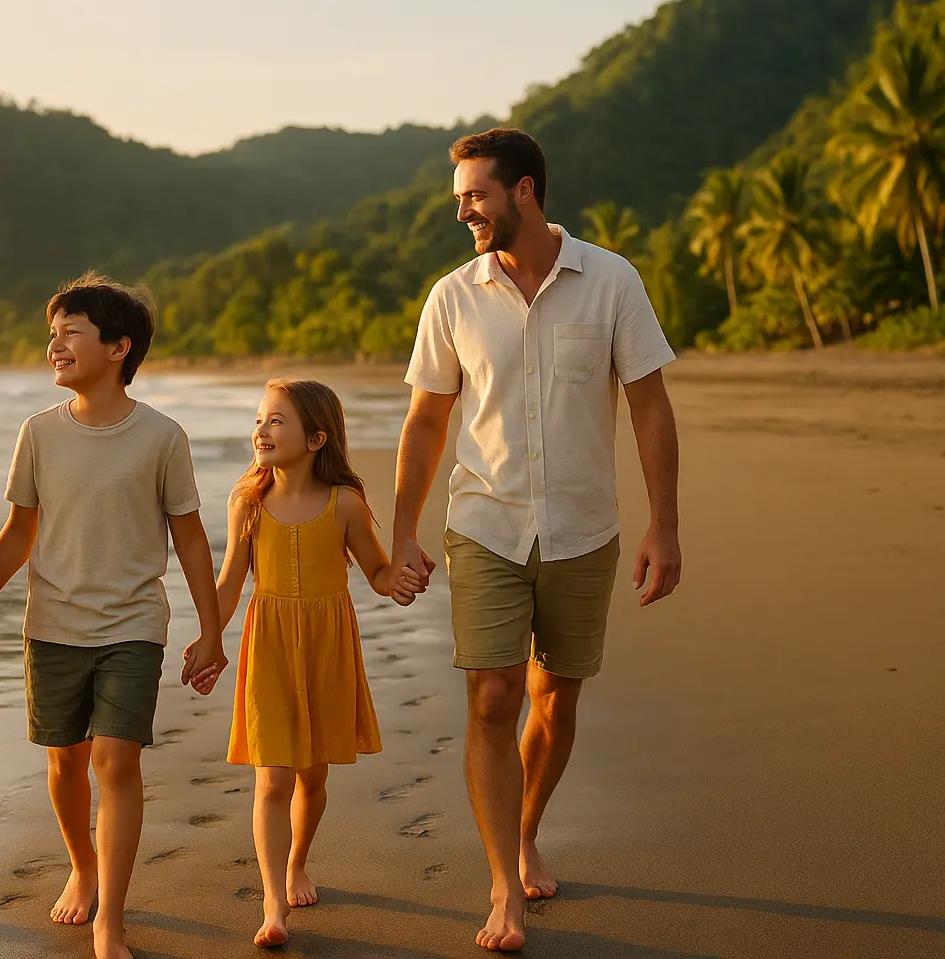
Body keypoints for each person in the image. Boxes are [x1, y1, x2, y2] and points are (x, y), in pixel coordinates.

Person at [391, 128, 682, 952]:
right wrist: (402, 531)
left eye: (475, 196)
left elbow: (650, 406)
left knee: (555, 699)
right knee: (492, 698)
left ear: (524, 191)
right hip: (483, 522)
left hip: (584, 530)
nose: (464, 213)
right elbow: (427, 419)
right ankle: (501, 889)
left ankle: (524, 831)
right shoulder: (452, 297)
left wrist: (665, 524)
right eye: (459, 200)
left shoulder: (612, 280)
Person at [0, 273, 227, 959]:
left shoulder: (162, 436)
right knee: (65, 761)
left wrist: (211, 630)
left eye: (72, 333)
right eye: (52, 333)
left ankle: (111, 919)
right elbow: (18, 533)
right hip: (52, 624)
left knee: (115, 761)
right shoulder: (37, 433)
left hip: (132, 625)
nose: (54, 345)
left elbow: (189, 537)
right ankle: (83, 865)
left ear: (119, 347)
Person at [211, 378, 421, 948]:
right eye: (260, 419)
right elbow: (230, 580)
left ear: (316, 438)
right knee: (272, 777)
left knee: (314, 774)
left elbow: (376, 572)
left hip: (327, 648)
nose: (262, 429)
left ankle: (298, 858)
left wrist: (397, 581)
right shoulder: (247, 502)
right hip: (270, 647)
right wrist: (211, 637)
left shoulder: (344, 503)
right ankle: (273, 900)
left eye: (277, 421)